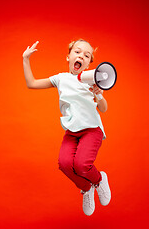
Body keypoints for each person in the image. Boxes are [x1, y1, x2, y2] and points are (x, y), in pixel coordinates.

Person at [23, 39, 111, 216]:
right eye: (77, 52)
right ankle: (87, 188)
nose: (81, 56)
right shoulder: (60, 78)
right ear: (68, 57)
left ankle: (100, 180)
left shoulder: (91, 80)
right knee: (64, 164)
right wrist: (26, 59)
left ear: (88, 63)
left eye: (86, 55)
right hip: (72, 131)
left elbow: (104, 108)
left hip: (92, 129)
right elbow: (31, 83)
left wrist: (98, 94)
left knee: (81, 164)